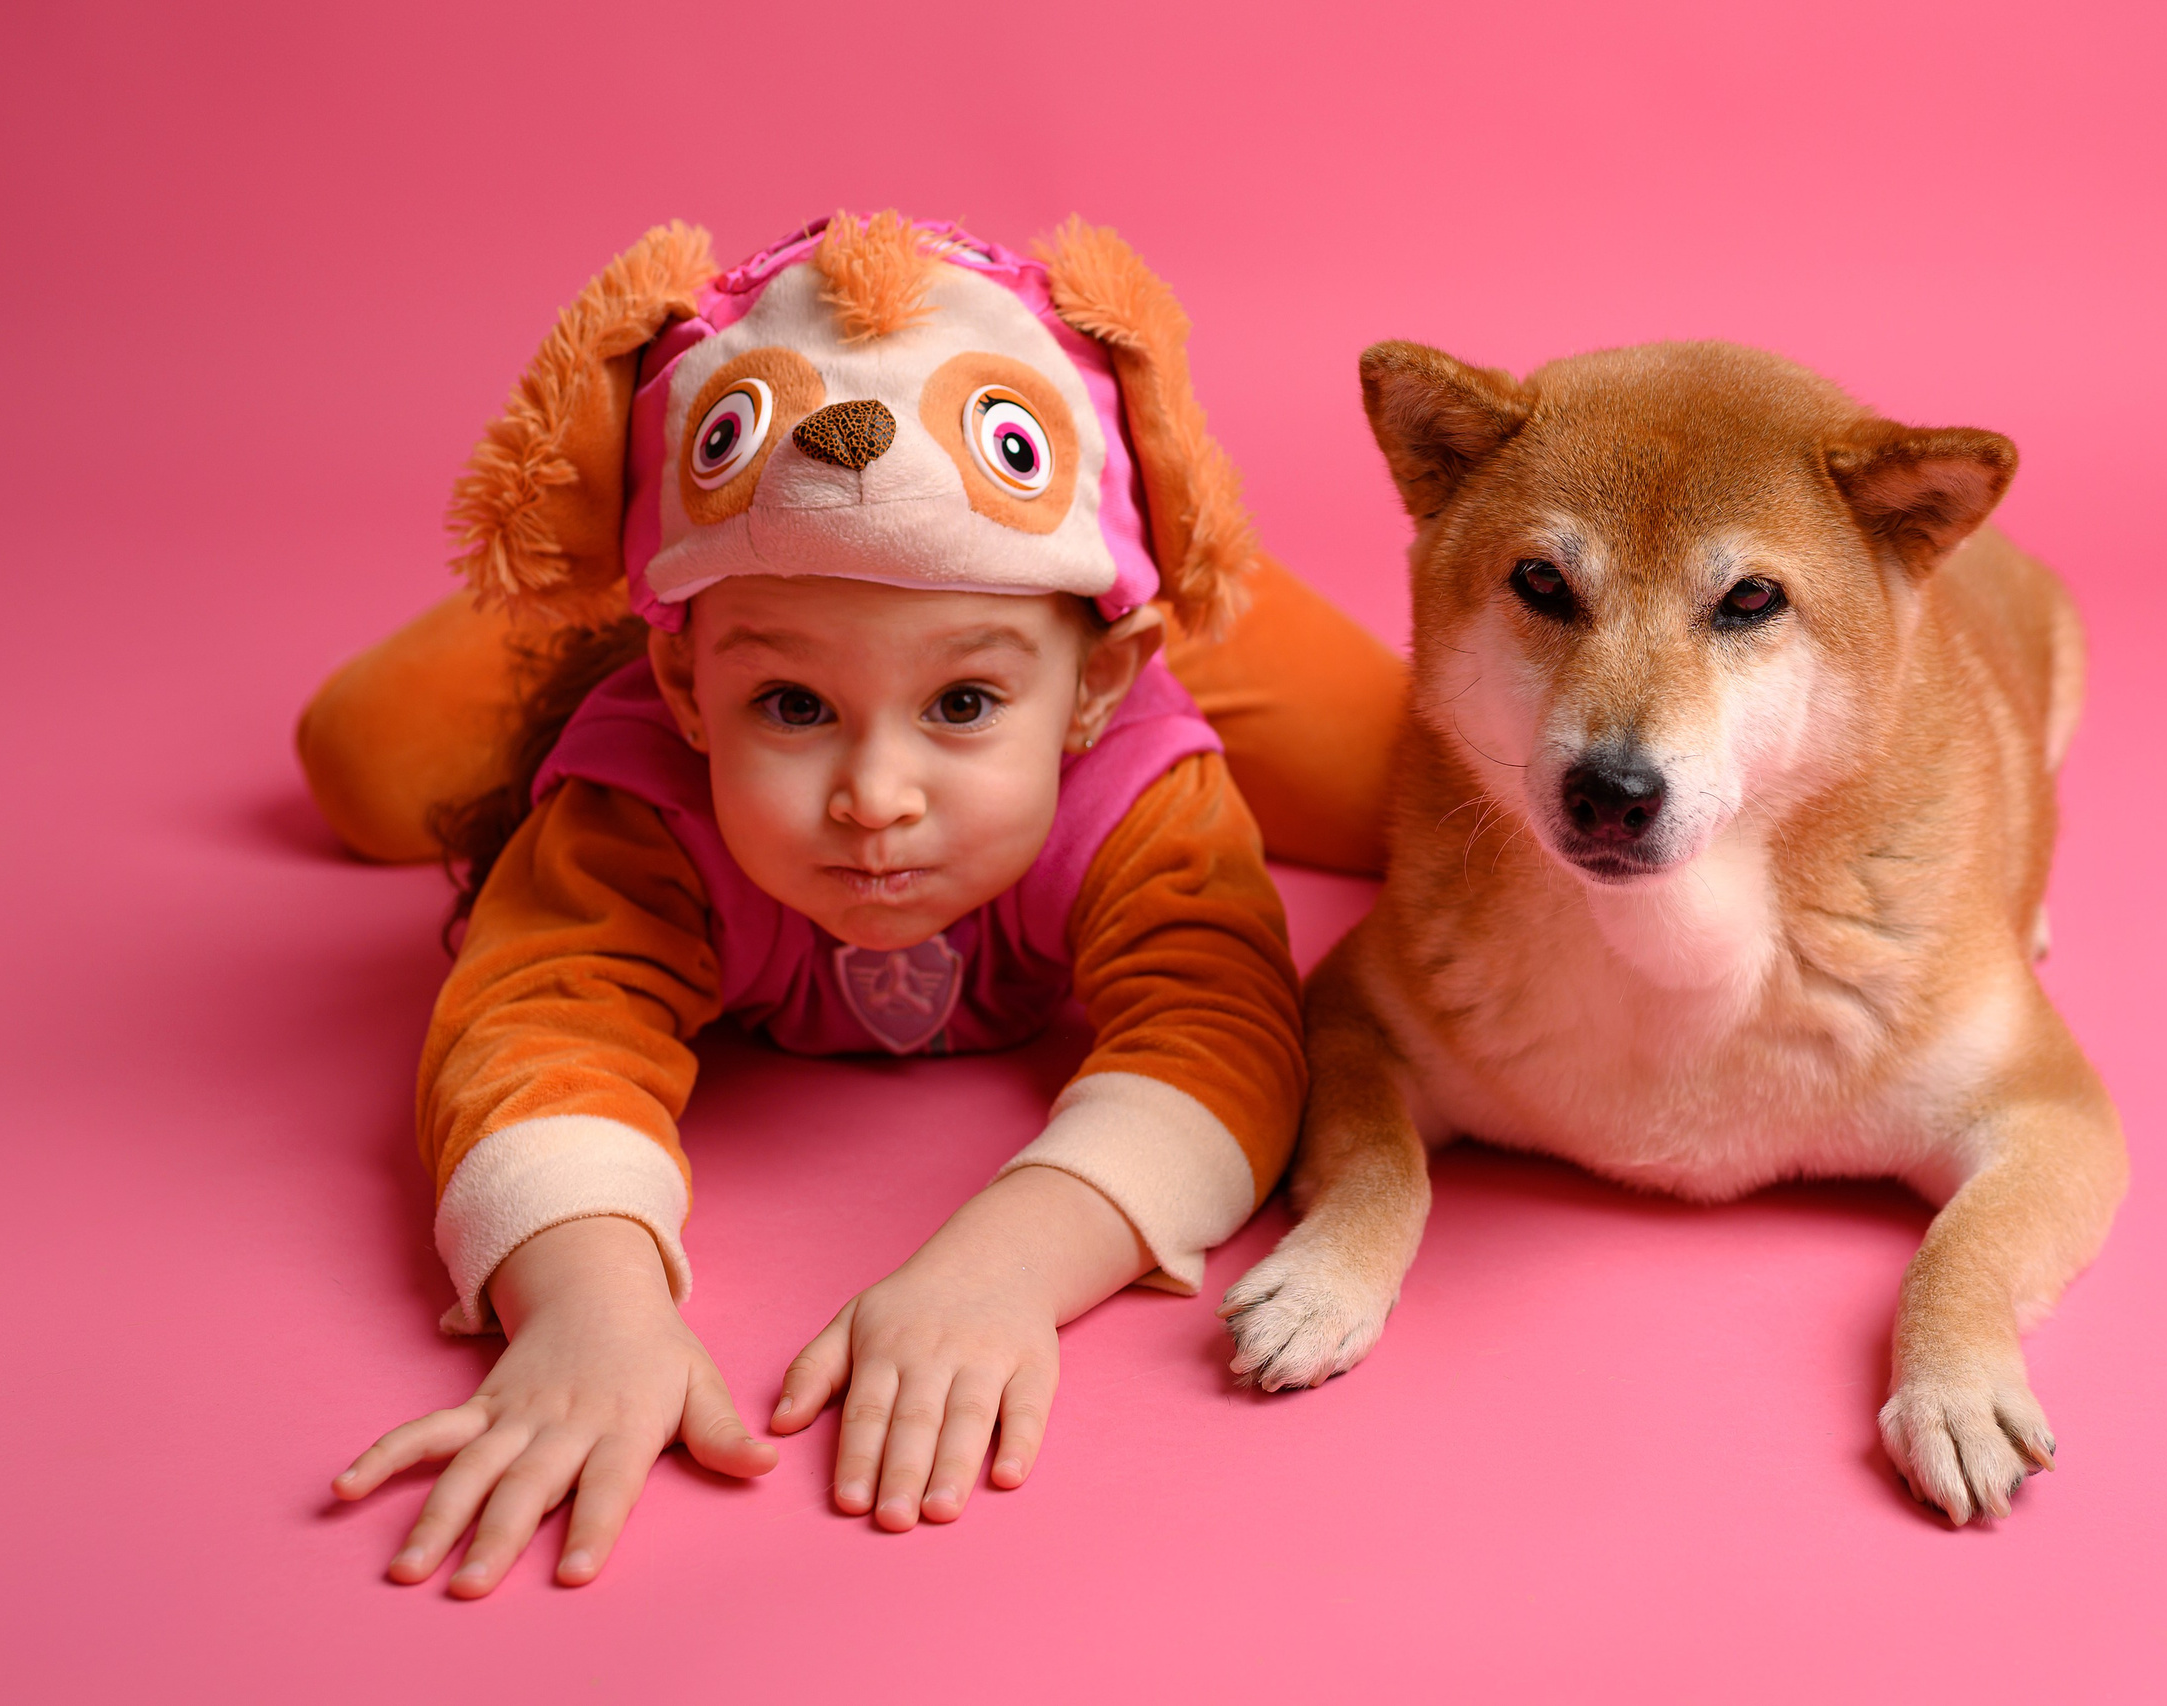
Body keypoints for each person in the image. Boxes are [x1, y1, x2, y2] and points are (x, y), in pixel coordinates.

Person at [308, 214, 1402, 1596]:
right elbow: (535, 1024)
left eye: (960, 706)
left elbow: (1221, 1027)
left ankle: (1100, 577)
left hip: (1028, 528)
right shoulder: (643, 794)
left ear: (1102, 688)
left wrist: (1005, 1266)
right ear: (688, 686)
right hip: (757, 519)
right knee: (360, 763)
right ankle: (656, 559)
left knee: (1418, 800)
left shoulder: (1131, 762)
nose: (875, 794)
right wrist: (587, 1307)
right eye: (792, 705)